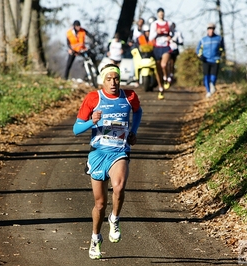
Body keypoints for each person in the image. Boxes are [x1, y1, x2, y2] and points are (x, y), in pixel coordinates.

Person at [73, 64, 143, 260]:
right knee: (100, 204)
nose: (113, 83)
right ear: (102, 81)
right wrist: (92, 121)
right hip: (97, 154)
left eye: (116, 79)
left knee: (119, 187)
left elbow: (138, 112)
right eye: (109, 79)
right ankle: (96, 238)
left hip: (119, 152)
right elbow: (76, 129)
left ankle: (115, 219)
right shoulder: (93, 98)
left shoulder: (129, 97)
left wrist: (134, 132)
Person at [149, 7, 173, 100]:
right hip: (157, 48)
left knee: (164, 65)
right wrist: (156, 32)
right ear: (157, 14)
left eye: (162, 13)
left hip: (166, 47)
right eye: (160, 13)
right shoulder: (154, 24)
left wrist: (170, 37)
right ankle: (160, 87)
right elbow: (151, 37)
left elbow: (172, 33)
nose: (161, 15)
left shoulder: (168, 23)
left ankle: (166, 78)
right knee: (157, 69)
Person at [196, 22, 225, 98]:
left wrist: (220, 52)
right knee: (206, 76)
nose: (211, 31)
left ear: (214, 30)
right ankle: (208, 91)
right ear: (207, 30)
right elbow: (198, 49)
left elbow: (222, 47)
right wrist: (200, 55)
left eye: (212, 29)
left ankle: (212, 85)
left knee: (214, 76)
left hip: (215, 60)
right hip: (206, 60)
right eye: (209, 29)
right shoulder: (203, 40)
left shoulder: (219, 38)